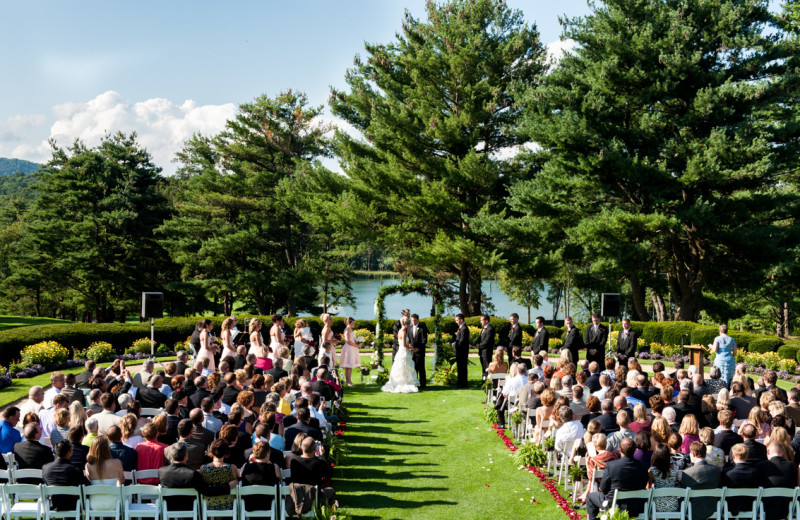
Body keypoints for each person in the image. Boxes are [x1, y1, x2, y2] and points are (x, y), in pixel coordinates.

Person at [159, 443, 236, 511]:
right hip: (190, 508)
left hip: (168, 508)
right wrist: (228, 486)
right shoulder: (191, 474)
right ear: (186, 455)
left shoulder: (161, 471)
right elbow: (207, 491)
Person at [585, 438, 648, 520]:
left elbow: (603, 488)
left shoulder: (611, 465)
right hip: (636, 505)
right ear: (635, 450)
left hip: (614, 504)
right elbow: (643, 484)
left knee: (590, 496)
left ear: (620, 450)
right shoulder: (643, 466)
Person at [679, 441, 722, 520]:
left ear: (694, 454)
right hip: (713, 507)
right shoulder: (716, 470)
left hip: (693, 509)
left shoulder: (687, 473)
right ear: (705, 453)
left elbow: (684, 496)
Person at [43, 440, 90, 510]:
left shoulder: (45, 468)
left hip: (53, 504)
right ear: (69, 452)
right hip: (73, 506)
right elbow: (84, 487)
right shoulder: (75, 470)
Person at [757, 442, 798, 520]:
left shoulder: (761, 465)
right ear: (782, 452)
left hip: (766, 506)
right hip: (787, 506)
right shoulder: (792, 465)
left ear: (768, 451)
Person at [722, 443, 764, 516]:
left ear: (733, 456)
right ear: (747, 456)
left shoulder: (726, 472)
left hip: (730, 507)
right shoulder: (756, 472)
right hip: (750, 506)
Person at [381, 316, 420, 393]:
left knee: (402, 367)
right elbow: (404, 345)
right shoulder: (404, 332)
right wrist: (412, 349)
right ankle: (404, 382)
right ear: (406, 324)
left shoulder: (400, 331)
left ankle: (400, 381)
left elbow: (406, 342)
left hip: (400, 351)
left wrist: (410, 345)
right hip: (404, 351)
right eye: (409, 324)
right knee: (405, 367)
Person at [85, 435, 124, 510]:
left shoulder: (88, 466)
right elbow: (121, 481)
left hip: (94, 504)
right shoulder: (117, 463)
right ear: (107, 448)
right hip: (114, 504)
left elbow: (89, 483)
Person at [240, 441, 281, 511]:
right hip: (269, 505)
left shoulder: (245, 466)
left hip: (249, 505)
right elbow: (280, 480)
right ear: (268, 453)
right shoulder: (274, 467)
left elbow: (241, 479)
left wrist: (250, 462)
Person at [200, 440, 238, 511]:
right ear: (226, 452)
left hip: (208, 504)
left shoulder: (203, 468)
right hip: (228, 504)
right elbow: (237, 482)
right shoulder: (232, 468)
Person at [647, 443, 681, 513]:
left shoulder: (652, 471)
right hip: (673, 505)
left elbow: (648, 489)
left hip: (656, 506)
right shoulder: (675, 469)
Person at [339, 317, 360, 387]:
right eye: (353, 323)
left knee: (349, 366)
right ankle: (348, 381)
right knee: (348, 365)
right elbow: (348, 341)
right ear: (348, 323)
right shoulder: (347, 329)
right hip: (349, 348)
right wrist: (356, 345)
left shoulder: (350, 329)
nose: (354, 324)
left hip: (352, 348)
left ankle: (349, 381)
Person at [409, 314, 429, 389]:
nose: (413, 322)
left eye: (414, 320)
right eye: (412, 320)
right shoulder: (409, 328)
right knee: (413, 368)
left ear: (418, 320)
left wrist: (418, 348)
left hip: (420, 352)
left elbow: (424, 341)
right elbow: (409, 340)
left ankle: (423, 384)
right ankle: (415, 383)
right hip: (411, 352)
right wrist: (410, 347)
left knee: (421, 368)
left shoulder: (422, 328)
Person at [454, 314, 470, 389]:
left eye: (457, 320)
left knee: (462, 367)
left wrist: (457, 347)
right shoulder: (461, 328)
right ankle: (460, 381)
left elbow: (462, 340)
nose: (456, 322)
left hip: (462, 351)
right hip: (460, 351)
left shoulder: (464, 328)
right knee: (460, 367)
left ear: (461, 320)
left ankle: (463, 383)